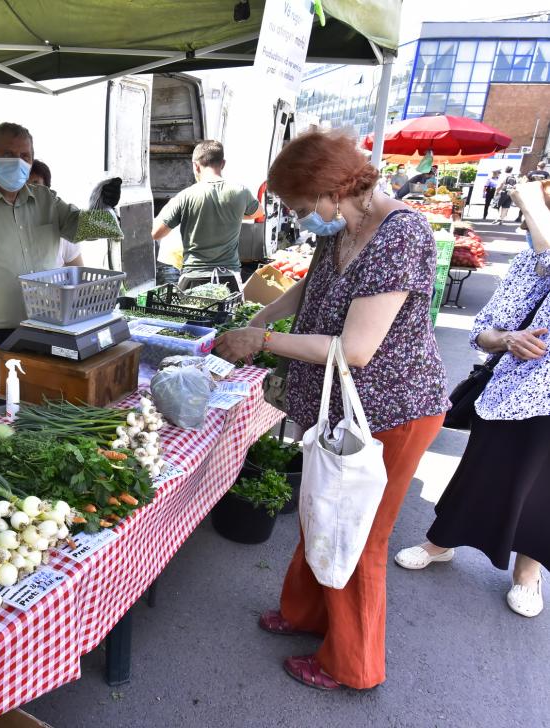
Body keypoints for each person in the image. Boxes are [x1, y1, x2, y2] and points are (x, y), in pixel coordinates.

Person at [214, 130, 450, 692]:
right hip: (341, 405)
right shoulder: (343, 227)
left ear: (330, 191)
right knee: (322, 507)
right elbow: (307, 290)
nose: (300, 219)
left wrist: (261, 344)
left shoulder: (402, 233)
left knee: (358, 534)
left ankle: (351, 665)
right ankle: (304, 614)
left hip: (393, 411)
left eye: (301, 207)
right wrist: (258, 318)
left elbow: (357, 349)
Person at [395, 180, 550, 618]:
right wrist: (507, 339)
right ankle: (440, 543)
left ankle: (528, 573)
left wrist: (532, 203)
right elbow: (482, 330)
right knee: (481, 470)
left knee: (542, 489)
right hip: (508, 392)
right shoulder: (527, 266)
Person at [0, 122, 122, 401]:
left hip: (45, 334)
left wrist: (103, 207)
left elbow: (80, 227)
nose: (19, 162)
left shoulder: (47, 201)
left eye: (26, 156)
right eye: (9, 154)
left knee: (40, 414)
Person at [152, 140, 259, 289]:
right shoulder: (241, 192)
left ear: (196, 166)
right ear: (223, 163)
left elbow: (156, 234)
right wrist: (235, 214)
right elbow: (259, 213)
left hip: (193, 277)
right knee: (229, 312)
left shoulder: (184, 196)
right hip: (229, 278)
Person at [27, 159, 83, 268]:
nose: (29, 190)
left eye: (35, 184)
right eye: (25, 185)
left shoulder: (61, 220)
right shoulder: (9, 222)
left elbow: (77, 270)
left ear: (47, 190)